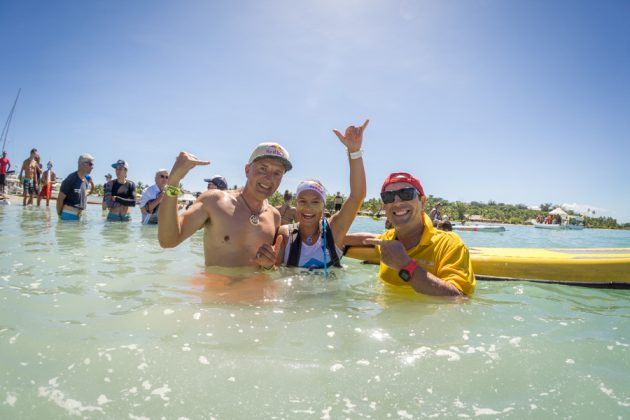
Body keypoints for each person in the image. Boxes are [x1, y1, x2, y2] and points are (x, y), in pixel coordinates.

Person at [158, 143, 292, 268]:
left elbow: (272, 269)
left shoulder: (274, 216)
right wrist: (174, 181)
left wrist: (268, 267)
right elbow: (168, 241)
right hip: (217, 292)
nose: (269, 178)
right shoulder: (214, 201)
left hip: (256, 292)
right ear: (247, 170)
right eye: (263, 168)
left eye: (277, 173)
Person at [346, 172, 475, 296]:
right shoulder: (387, 239)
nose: (397, 202)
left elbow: (459, 298)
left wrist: (405, 265)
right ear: (385, 206)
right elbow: (369, 239)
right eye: (388, 197)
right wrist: (337, 239)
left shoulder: (449, 244)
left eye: (406, 194)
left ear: (423, 202)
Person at [269, 120, 367, 269]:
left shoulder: (334, 231)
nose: (308, 208)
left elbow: (357, 196)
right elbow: (273, 274)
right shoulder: (286, 234)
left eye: (315, 202)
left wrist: (354, 152)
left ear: (324, 206)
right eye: (302, 201)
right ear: (296, 204)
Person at [56, 154, 94, 221]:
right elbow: (59, 200)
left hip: (78, 218)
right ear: (82, 164)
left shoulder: (85, 181)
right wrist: (60, 216)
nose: (92, 167)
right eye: (90, 164)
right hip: (68, 216)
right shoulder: (70, 179)